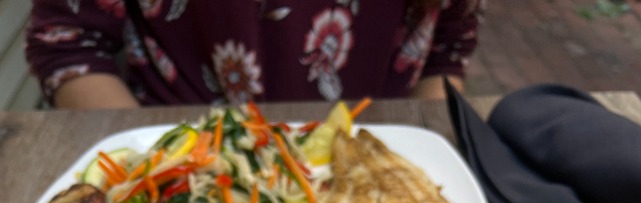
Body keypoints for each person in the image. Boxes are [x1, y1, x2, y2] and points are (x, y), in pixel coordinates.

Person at [25, 1, 483, 110]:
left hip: (374, 158)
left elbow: (447, 47)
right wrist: (152, 173)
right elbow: (69, 41)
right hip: (182, 158)